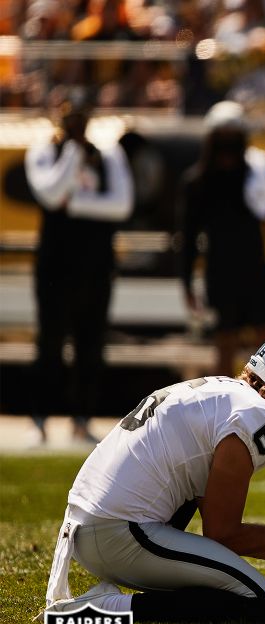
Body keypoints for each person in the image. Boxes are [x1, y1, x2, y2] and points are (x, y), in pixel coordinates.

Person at [42, 330, 265, 624]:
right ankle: (105, 608)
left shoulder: (220, 392)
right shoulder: (255, 414)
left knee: (235, 580)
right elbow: (223, 535)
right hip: (120, 532)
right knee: (261, 602)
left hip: (86, 529)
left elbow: (215, 545)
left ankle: (106, 602)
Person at [24, 87, 134, 445]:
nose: (75, 125)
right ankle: (39, 419)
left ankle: (82, 418)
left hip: (95, 262)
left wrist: (75, 205)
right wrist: (71, 153)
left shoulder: (107, 153)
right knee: (50, 340)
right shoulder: (46, 150)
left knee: (91, 341)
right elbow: (50, 193)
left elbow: (120, 205)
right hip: (55, 261)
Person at [179, 101, 265, 376]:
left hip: (256, 270)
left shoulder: (258, 174)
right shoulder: (197, 183)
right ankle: (224, 405)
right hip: (220, 274)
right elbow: (187, 237)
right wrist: (186, 283)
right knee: (225, 344)